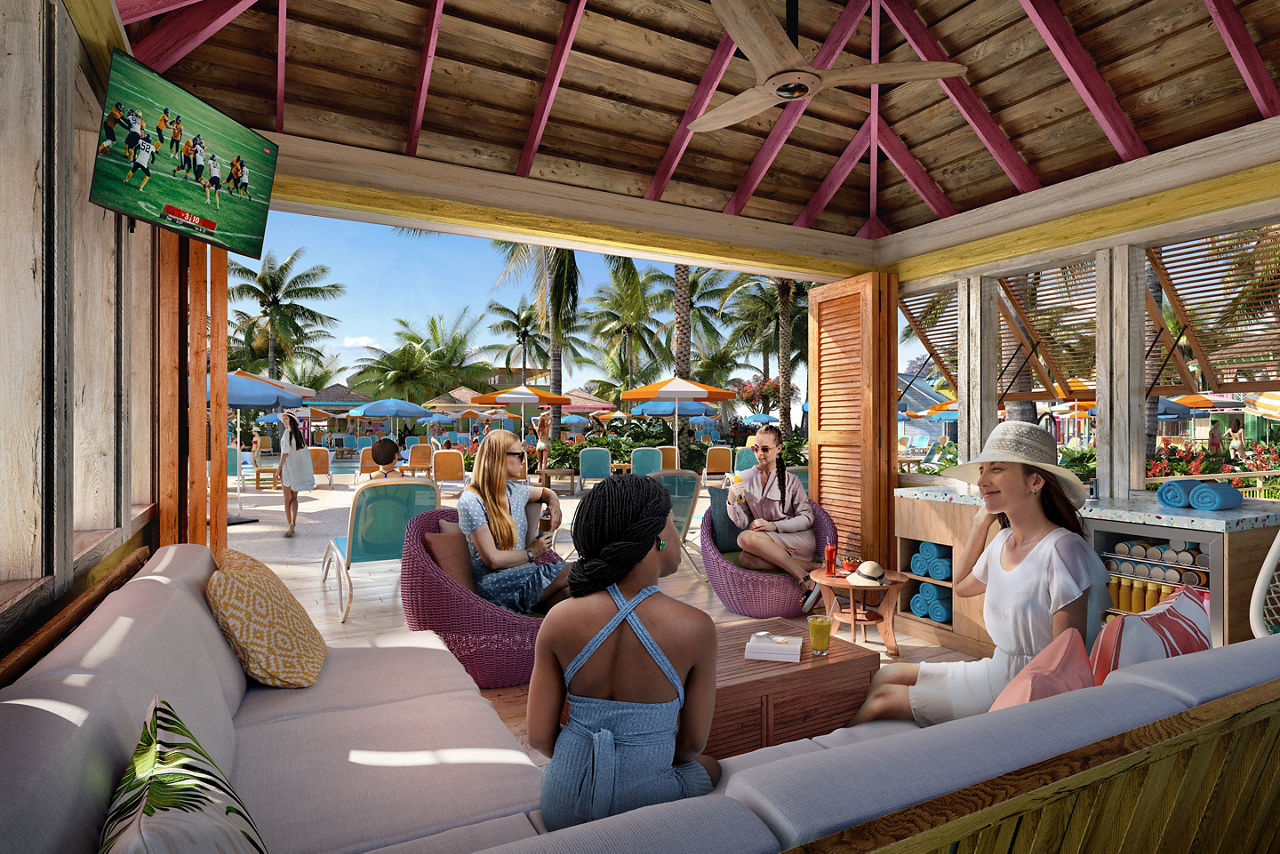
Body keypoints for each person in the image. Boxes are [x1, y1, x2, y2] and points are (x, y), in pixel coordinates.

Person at [853, 421, 1109, 727]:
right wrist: (980, 523)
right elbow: (961, 586)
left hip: (1024, 687)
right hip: (996, 669)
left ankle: (830, 761)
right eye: (982, 470)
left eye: (997, 469)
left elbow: (1066, 661)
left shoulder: (1063, 551)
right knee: (888, 673)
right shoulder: (1003, 540)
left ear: (1035, 482)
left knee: (884, 700)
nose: (983, 481)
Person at [530, 475, 720, 830]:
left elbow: (540, 737)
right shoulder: (694, 627)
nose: (677, 535)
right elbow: (691, 744)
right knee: (711, 767)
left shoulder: (559, 619)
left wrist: (587, 768)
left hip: (563, 801)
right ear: (658, 538)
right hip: (647, 802)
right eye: (673, 525)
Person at [456, 430, 570, 612]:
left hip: (526, 578)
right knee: (576, 571)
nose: (524, 460)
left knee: (573, 593)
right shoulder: (472, 500)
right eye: (520, 455)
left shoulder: (515, 491)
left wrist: (554, 501)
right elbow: (492, 559)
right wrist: (532, 553)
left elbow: (544, 492)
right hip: (497, 586)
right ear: (499, 457)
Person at [725, 424, 818, 592]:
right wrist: (731, 499)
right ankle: (813, 567)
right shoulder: (744, 478)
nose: (759, 454)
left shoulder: (791, 480)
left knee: (744, 538)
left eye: (765, 449)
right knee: (745, 558)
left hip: (797, 540)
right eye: (756, 448)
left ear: (779, 449)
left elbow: (807, 518)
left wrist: (774, 526)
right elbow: (742, 521)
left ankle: (803, 578)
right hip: (767, 543)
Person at [278, 412, 315, 538]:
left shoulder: (287, 434)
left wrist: (279, 468)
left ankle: (290, 525)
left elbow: (285, 453)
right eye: (283, 418)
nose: (284, 420)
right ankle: (294, 522)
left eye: (286, 418)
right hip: (297, 470)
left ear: (292, 420)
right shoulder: (298, 435)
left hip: (287, 469)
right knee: (294, 498)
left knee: (286, 499)